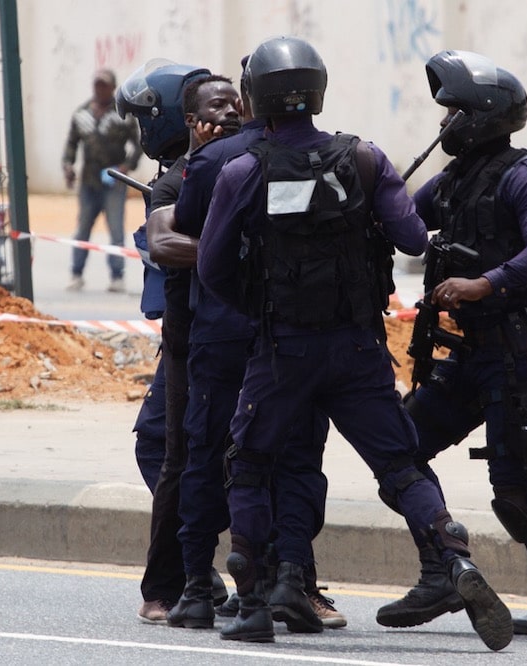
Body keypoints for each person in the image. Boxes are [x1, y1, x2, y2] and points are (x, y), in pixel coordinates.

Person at [197, 36, 513, 650]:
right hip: (358, 348)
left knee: (250, 462)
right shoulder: (365, 159)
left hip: (281, 350)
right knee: (399, 463)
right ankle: (455, 560)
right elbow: (415, 239)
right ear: (317, 90)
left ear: (256, 95)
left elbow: (211, 268)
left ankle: (254, 603)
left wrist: (264, 307)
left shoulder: (241, 168)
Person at [378, 49, 527, 636]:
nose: (442, 123)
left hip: (520, 354)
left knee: (515, 486)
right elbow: (405, 226)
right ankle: (444, 570)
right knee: (399, 451)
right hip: (469, 354)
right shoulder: (454, 180)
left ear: (479, 115)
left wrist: (482, 283)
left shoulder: (526, 176)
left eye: (451, 112)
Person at [160, 55, 345, 632]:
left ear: (249, 95)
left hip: (225, 331)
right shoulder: (340, 156)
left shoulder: (214, 160)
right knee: (291, 456)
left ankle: (199, 588)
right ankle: (287, 578)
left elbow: (194, 235)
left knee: (208, 452)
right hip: (292, 336)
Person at [117, 60, 239, 624]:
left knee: (186, 456)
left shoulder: (223, 167)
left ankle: (178, 582)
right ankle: (193, 574)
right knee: (175, 450)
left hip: (216, 334)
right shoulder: (176, 178)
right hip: (192, 333)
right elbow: (166, 246)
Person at [61, 68, 142, 293]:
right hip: (88, 181)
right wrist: (68, 166)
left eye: (104, 85)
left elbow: (139, 145)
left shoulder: (123, 115)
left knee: (116, 229)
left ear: (113, 88)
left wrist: (126, 167)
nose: (100, 89)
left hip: (114, 180)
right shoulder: (82, 114)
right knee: (83, 227)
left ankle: (117, 276)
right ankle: (76, 273)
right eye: (97, 85)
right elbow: (71, 144)